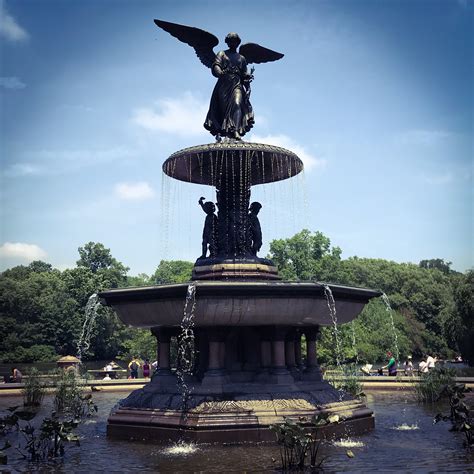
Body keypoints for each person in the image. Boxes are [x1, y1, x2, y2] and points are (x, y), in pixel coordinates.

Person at [204, 32, 255, 140]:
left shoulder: (242, 58)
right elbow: (216, 66)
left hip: (237, 84)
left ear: (238, 42)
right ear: (227, 42)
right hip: (224, 84)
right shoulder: (221, 54)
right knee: (223, 110)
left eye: (235, 40)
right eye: (230, 40)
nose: (233, 42)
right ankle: (222, 131)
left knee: (237, 104)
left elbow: (244, 75)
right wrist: (220, 72)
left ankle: (235, 130)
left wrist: (248, 81)